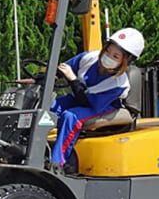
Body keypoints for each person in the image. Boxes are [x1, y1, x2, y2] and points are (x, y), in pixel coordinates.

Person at [50, 27, 144, 166]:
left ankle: (57, 162)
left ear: (126, 62)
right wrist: (39, 80)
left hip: (103, 107)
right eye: (108, 51)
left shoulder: (118, 84)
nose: (108, 57)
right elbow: (62, 69)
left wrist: (73, 80)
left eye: (115, 56)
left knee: (70, 116)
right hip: (80, 96)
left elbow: (87, 103)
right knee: (46, 107)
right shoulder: (89, 58)